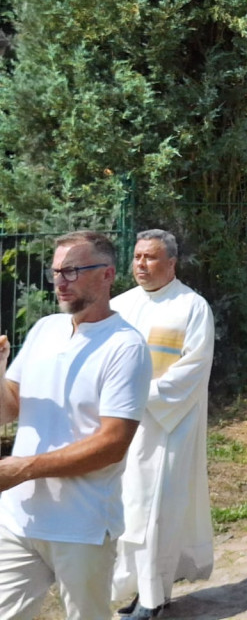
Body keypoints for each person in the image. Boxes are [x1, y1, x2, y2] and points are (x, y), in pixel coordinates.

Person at [0, 231, 151, 619]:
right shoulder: (45, 329)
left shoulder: (125, 346)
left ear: (106, 275)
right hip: (18, 519)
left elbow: (112, 443)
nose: (60, 282)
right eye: (56, 272)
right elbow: (10, 408)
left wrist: (21, 469)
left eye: (72, 271)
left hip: (81, 525)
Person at [110, 230, 216, 619]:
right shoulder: (118, 306)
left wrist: (142, 395)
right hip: (123, 426)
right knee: (129, 509)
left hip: (170, 426)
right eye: (137, 257)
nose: (141, 264)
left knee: (158, 509)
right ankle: (141, 591)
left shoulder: (192, 307)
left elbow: (193, 368)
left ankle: (153, 600)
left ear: (171, 263)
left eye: (151, 258)